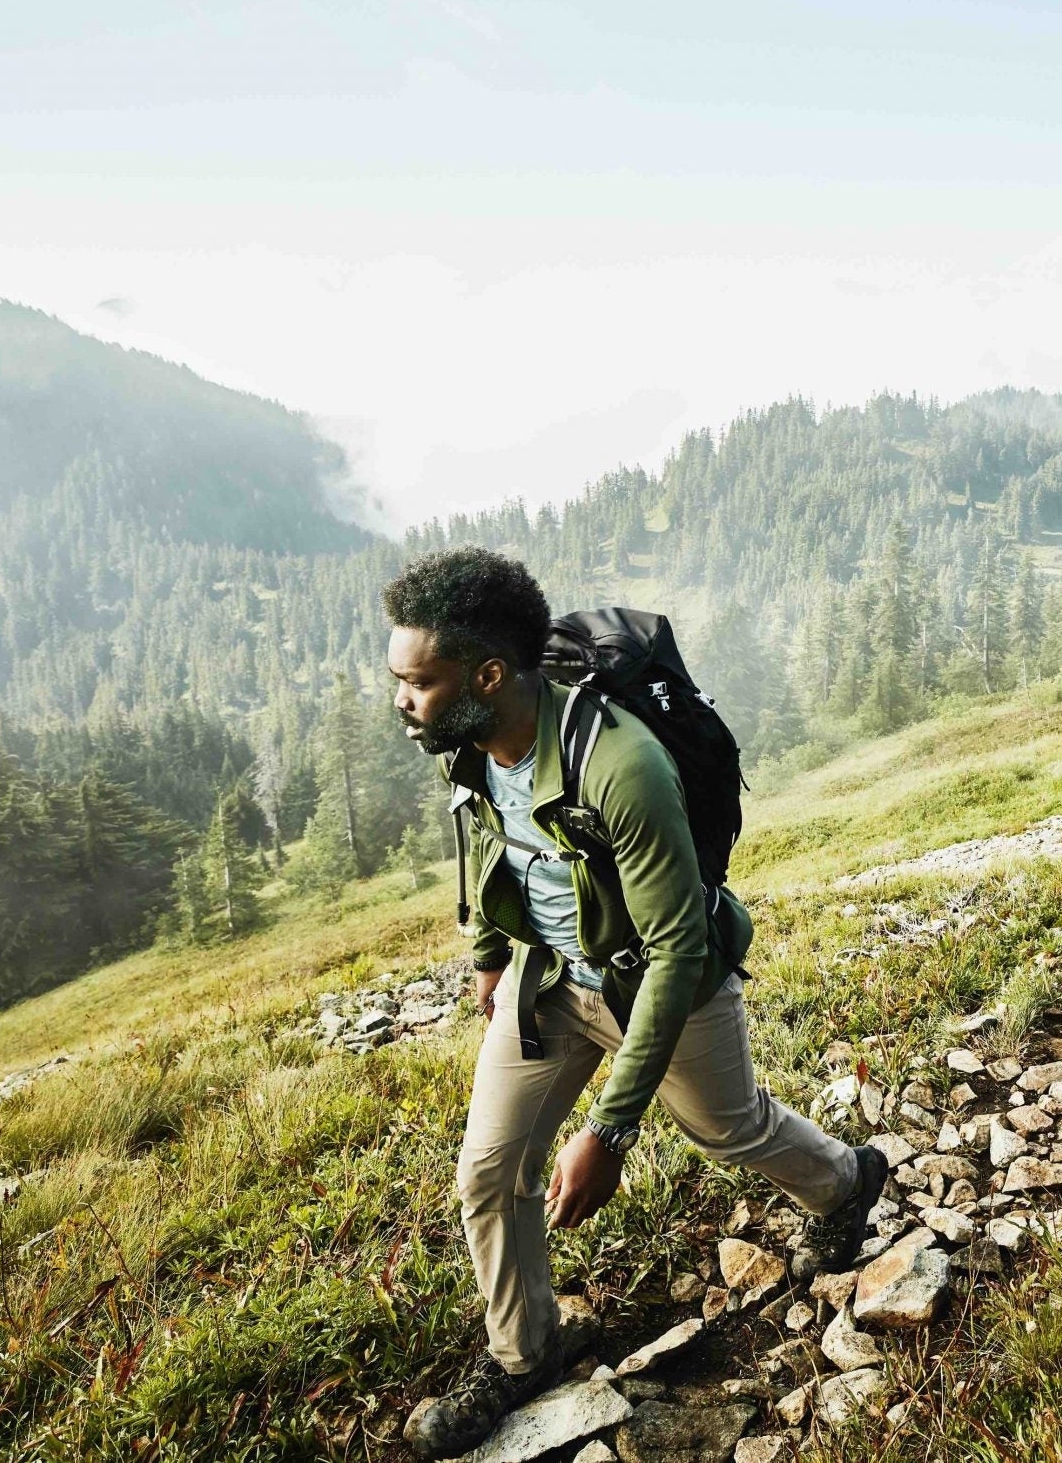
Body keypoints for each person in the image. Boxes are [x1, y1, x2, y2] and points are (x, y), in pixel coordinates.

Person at [381, 547, 889, 1458]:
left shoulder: (621, 764)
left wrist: (610, 1132)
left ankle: (850, 1181)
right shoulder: (464, 735)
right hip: (548, 983)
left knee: (728, 1128)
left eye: (418, 681)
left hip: (658, 981)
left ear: (487, 676)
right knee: (490, 1172)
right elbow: (495, 837)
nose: (402, 700)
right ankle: (523, 1353)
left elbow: (676, 948)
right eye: (399, 680)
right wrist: (492, 953)